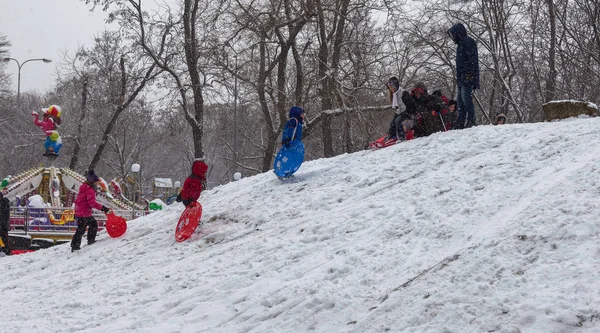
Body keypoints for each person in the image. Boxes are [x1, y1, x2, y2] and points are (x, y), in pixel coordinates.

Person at [447, 23, 480, 129]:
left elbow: (472, 60)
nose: (452, 38)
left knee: (466, 98)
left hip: (468, 76)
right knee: (460, 100)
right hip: (461, 77)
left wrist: (468, 74)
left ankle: (471, 119)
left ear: (458, 33)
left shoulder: (468, 42)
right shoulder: (460, 45)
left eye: (453, 35)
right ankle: (461, 121)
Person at [70, 170, 110, 252]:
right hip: (84, 213)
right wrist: (103, 208)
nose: (97, 184)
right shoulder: (90, 190)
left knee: (91, 225)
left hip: (81, 211)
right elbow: (92, 203)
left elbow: (79, 200)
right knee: (82, 229)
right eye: (96, 182)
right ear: (92, 182)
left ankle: (79, 243)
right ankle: (76, 246)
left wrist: (76, 212)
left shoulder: (84, 187)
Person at [384, 77, 410, 143]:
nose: (391, 89)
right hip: (400, 111)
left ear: (395, 85)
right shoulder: (394, 95)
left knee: (398, 121)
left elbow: (409, 105)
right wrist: (396, 114)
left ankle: (402, 137)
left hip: (407, 111)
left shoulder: (403, 92)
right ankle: (392, 136)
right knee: (392, 123)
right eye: (390, 88)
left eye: (392, 87)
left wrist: (405, 112)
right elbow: (398, 107)